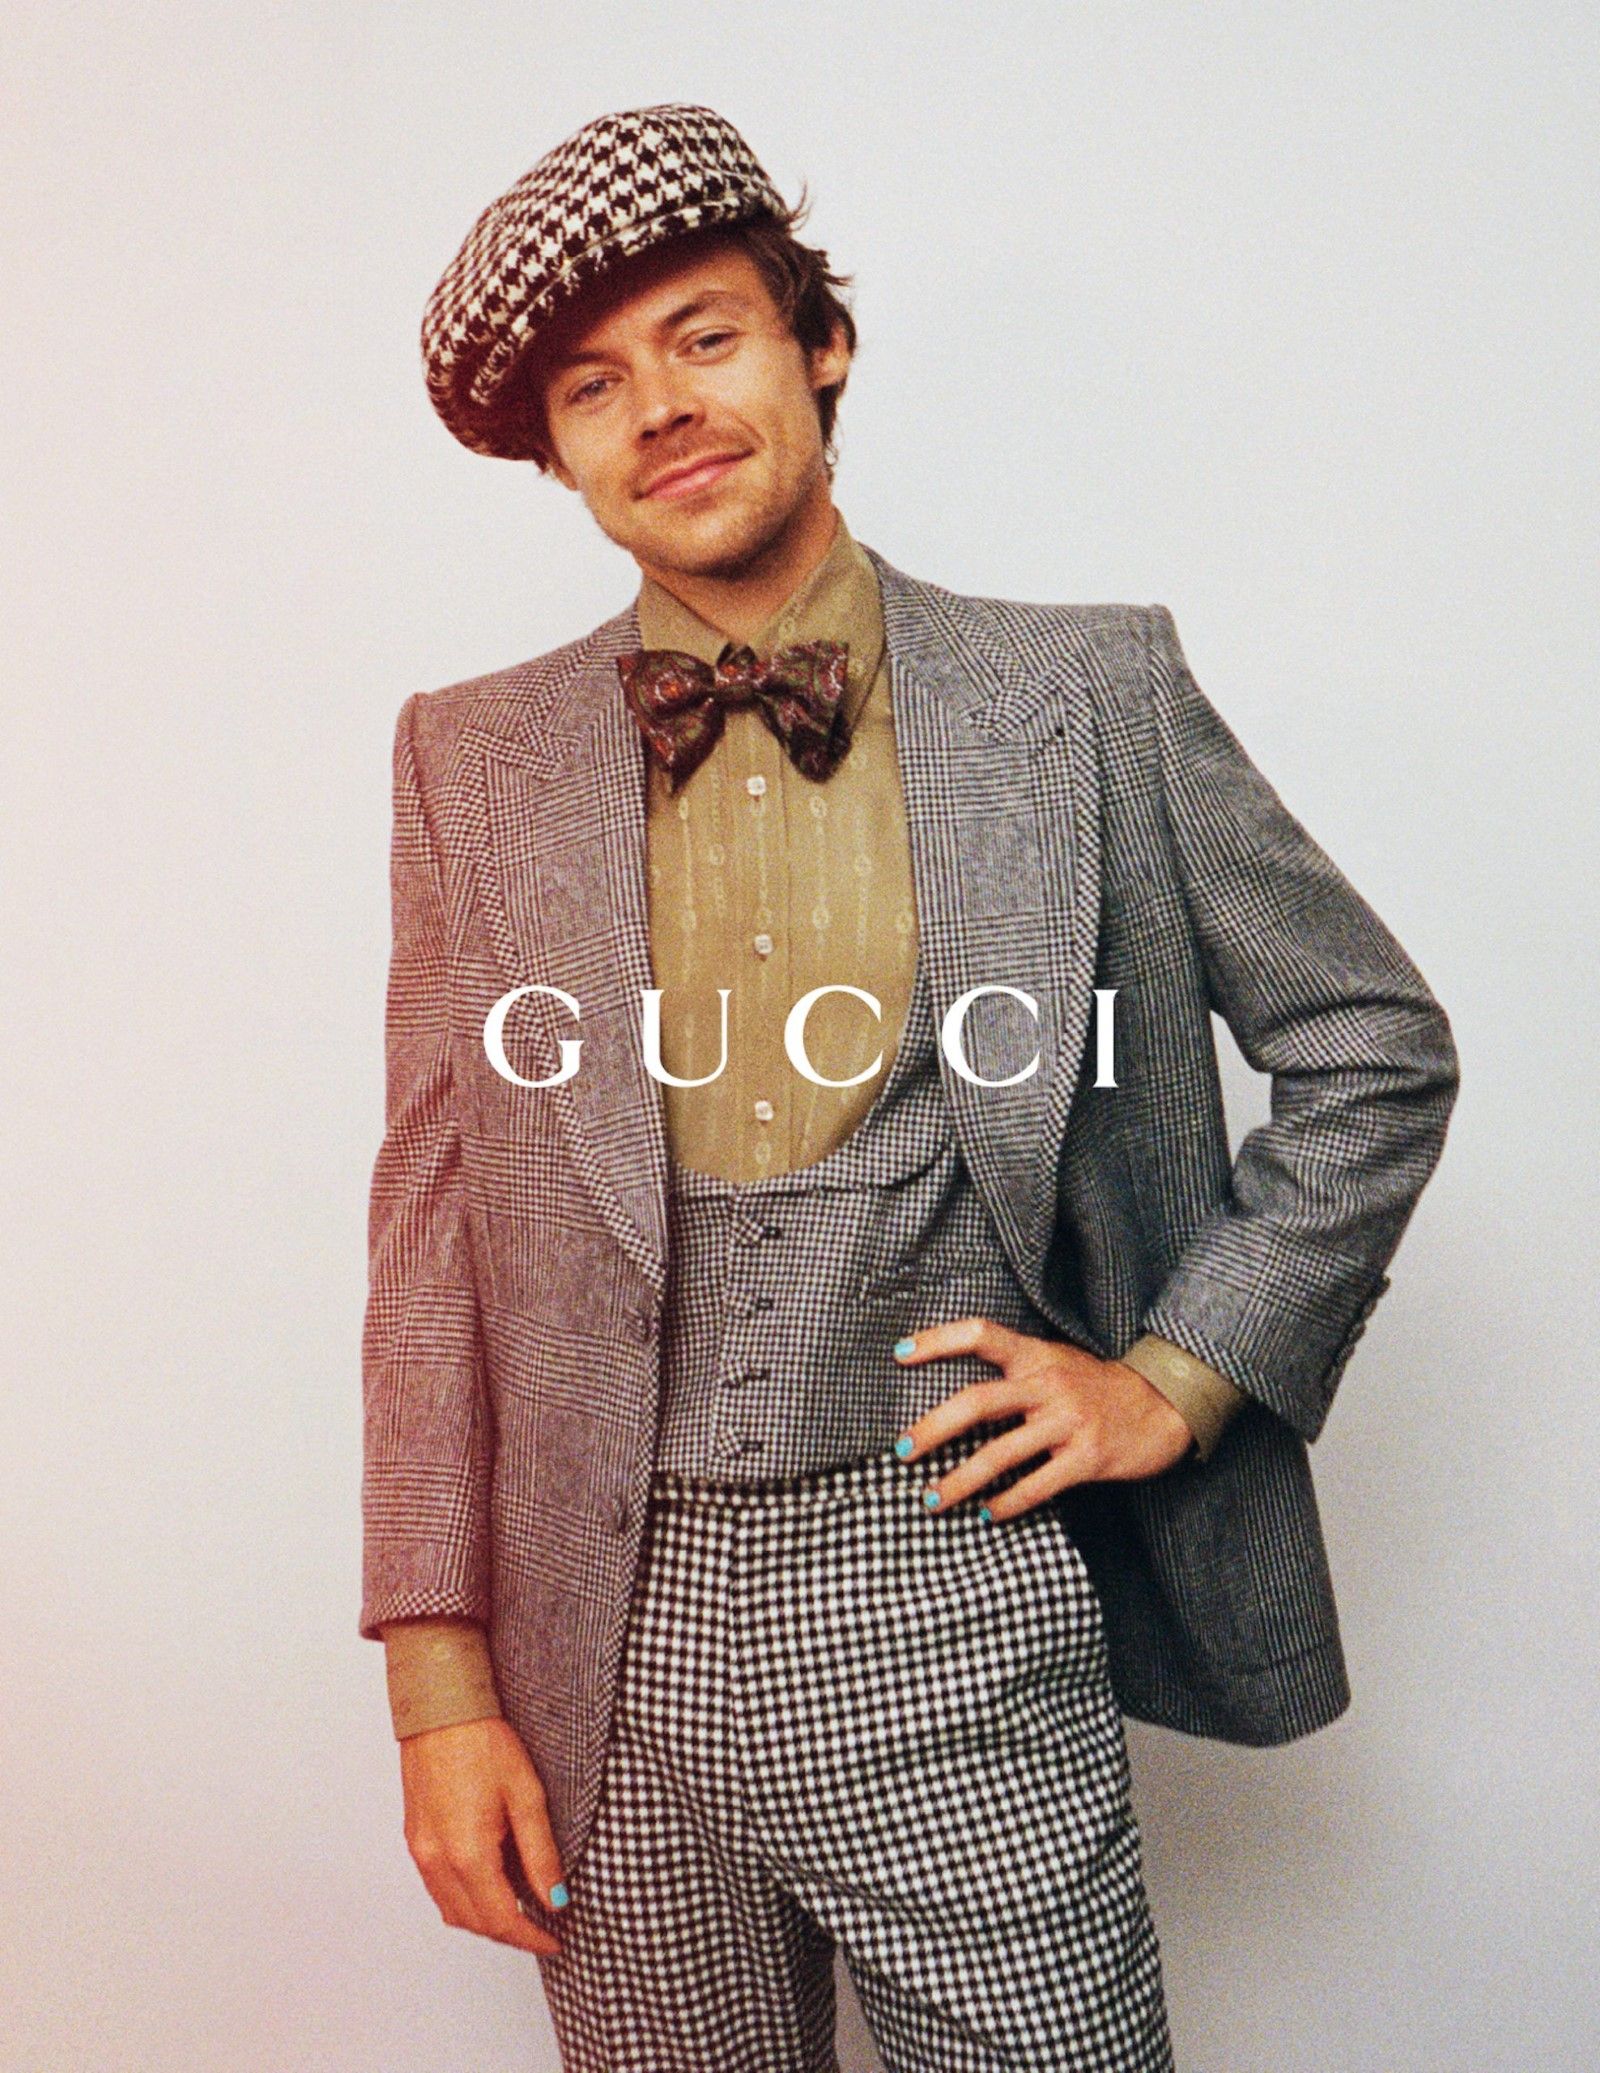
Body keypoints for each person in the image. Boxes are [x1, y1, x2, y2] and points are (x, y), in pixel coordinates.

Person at [361, 104, 1459, 2071]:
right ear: (556, 454)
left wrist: (1175, 1372)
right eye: (593, 386)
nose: (660, 409)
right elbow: (430, 1239)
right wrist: (439, 1687)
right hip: (600, 1649)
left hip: (948, 1590)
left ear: (819, 345)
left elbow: (1368, 1040)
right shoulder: (470, 758)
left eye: (704, 336)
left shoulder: (1083, 692)